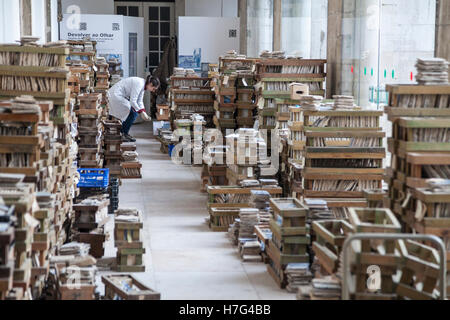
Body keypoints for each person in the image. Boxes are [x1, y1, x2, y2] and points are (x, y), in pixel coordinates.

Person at [108, 75, 160, 142]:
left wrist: (143, 111)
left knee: (133, 113)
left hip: (119, 95)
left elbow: (140, 101)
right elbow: (133, 101)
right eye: (153, 89)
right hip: (115, 95)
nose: (153, 91)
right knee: (133, 113)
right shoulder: (139, 83)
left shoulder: (143, 86)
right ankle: (123, 133)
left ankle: (124, 133)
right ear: (150, 84)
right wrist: (141, 112)